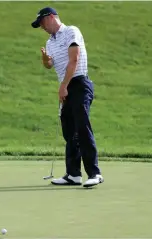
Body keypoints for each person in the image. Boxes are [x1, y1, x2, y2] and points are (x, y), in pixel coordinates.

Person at [31, 7, 104, 188]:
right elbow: (50, 65)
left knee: (82, 127)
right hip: (66, 86)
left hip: (79, 84)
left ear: (51, 17)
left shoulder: (71, 31)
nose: (41, 27)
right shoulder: (50, 43)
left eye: (42, 22)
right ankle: (73, 174)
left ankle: (95, 173)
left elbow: (74, 59)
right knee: (69, 131)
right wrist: (46, 60)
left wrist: (63, 86)